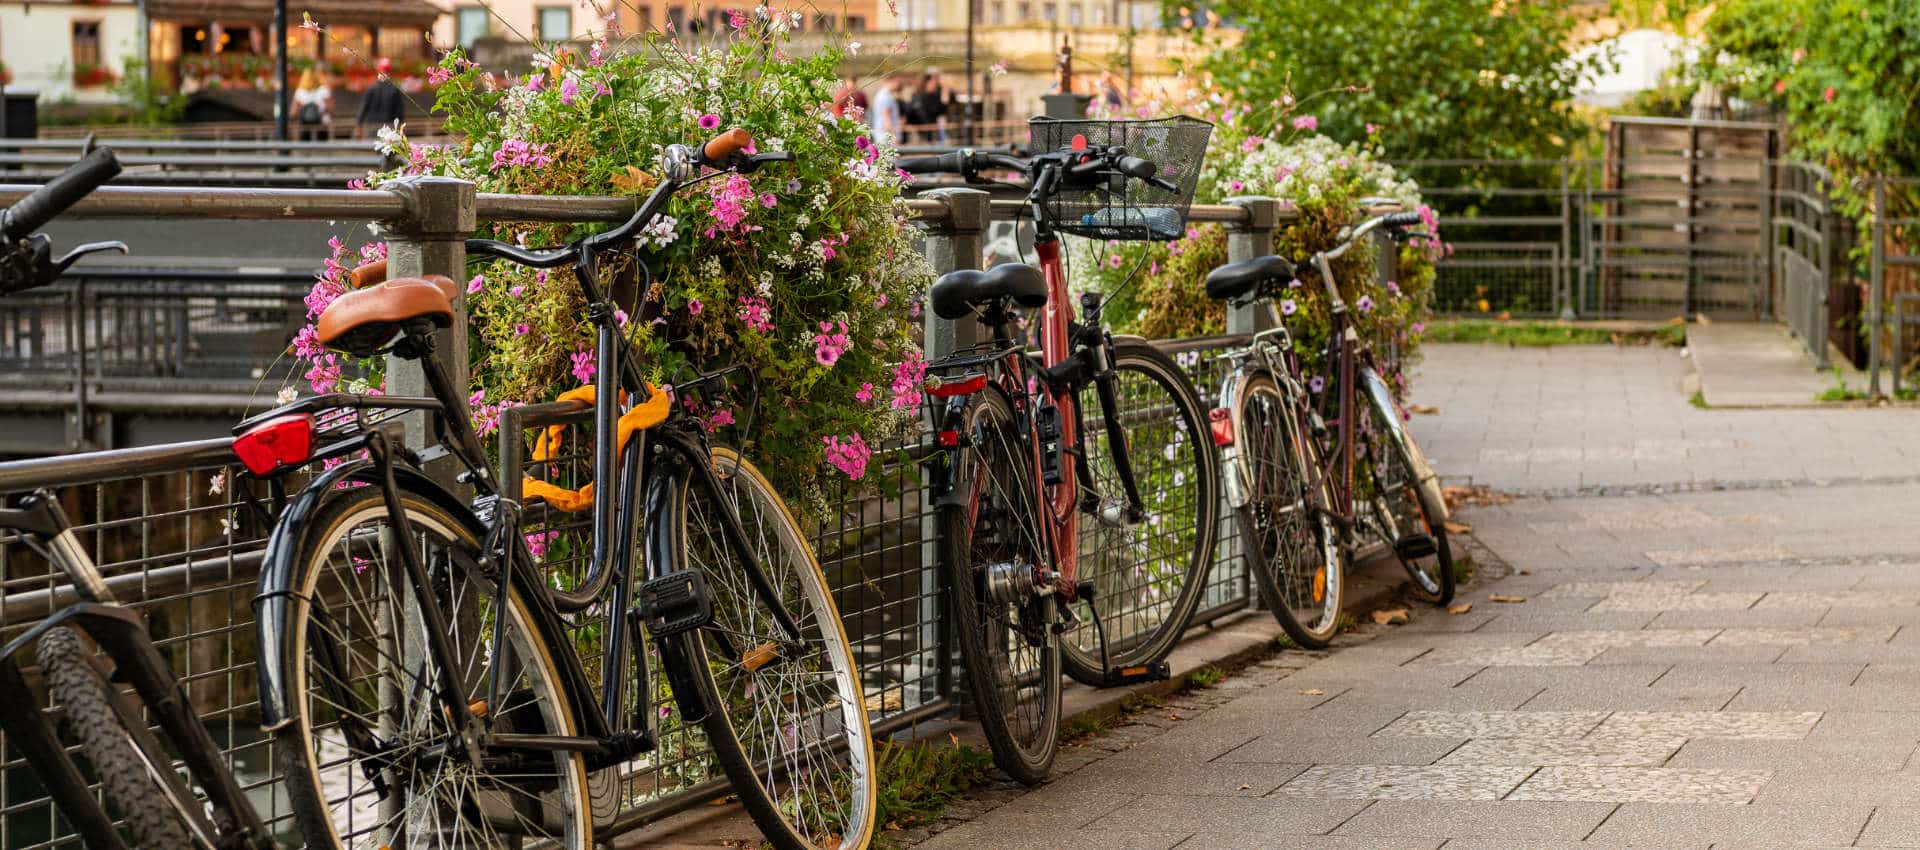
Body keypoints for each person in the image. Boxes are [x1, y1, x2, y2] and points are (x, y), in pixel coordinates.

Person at [355, 57, 406, 140]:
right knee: (389, 150)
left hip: (372, 127)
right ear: (390, 72)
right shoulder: (395, 90)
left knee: (374, 147)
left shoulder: (371, 88)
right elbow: (400, 112)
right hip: (390, 128)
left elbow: (364, 107)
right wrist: (400, 128)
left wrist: (358, 125)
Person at [292, 68, 332, 141]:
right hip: (322, 124)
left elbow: (293, 112)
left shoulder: (300, 91)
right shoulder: (324, 90)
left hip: (304, 124)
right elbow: (330, 109)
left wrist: (304, 111)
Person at [912, 69, 950, 145]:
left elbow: (940, 112)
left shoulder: (933, 95)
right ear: (927, 82)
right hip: (924, 133)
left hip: (932, 132)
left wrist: (945, 101)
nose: (936, 84)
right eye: (934, 82)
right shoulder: (919, 96)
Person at [869, 75, 903, 145]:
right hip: (886, 138)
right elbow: (887, 119)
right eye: (896, 81)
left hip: (883, 136)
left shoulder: (882, 95)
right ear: (891, 81)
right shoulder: (885, 97)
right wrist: (893, 137)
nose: (898, 84)